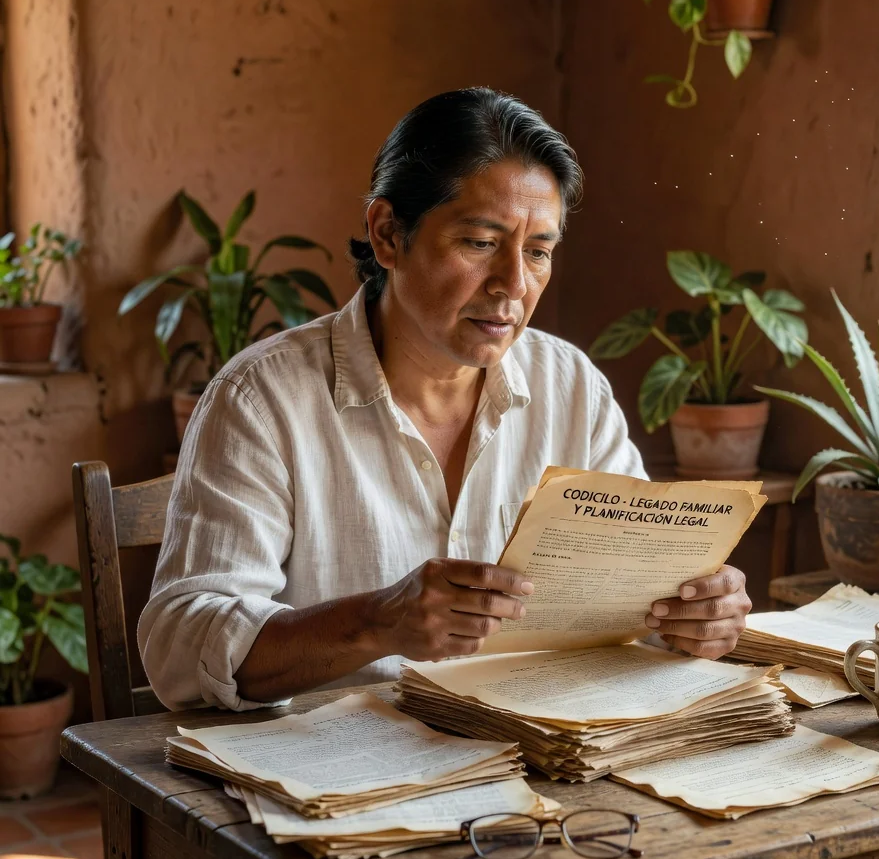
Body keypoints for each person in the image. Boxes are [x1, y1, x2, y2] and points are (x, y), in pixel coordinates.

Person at [138, 87, 751, 712]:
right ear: (387, 235)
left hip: (541, 761)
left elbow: (643, 592)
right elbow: (179, 651)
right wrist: (376, 623)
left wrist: (696, 611)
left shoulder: (572, 387)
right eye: (480, 243)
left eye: (538, 251)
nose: (514, 283)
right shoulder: (263, 399)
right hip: (336, 779)